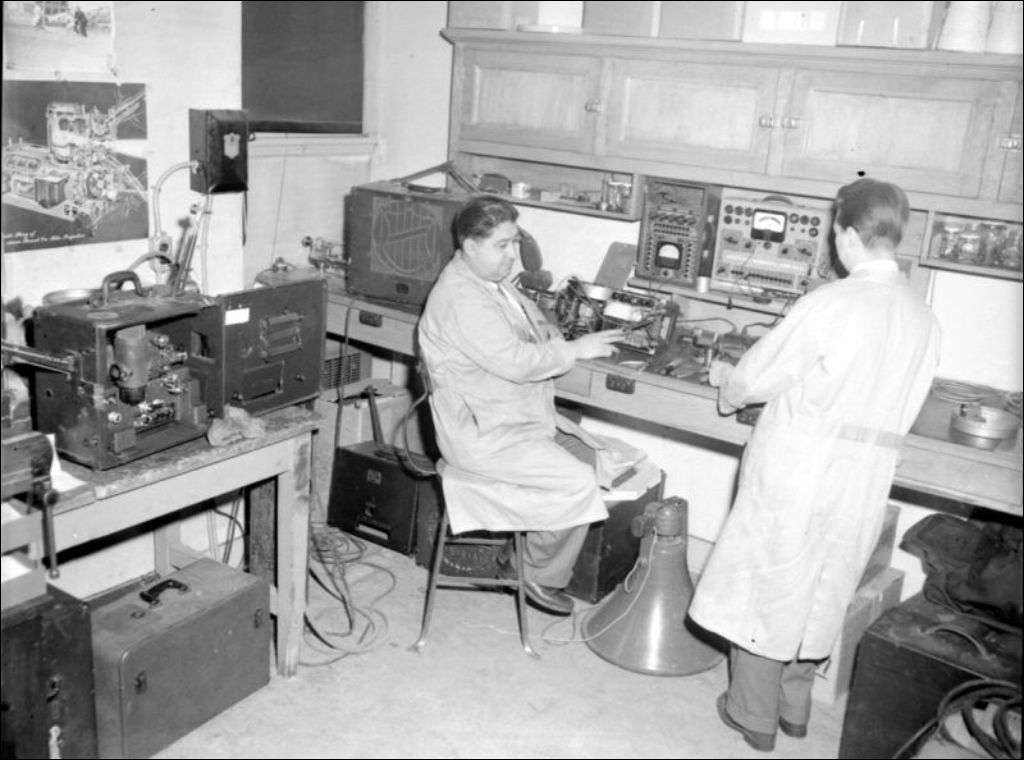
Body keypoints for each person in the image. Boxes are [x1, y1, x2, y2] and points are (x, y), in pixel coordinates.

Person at [687, 178, 942, 752]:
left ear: (845, 233)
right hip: (865, 475)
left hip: (801, 464)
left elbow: (756, 377)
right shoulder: (923, 317)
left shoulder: (830, 303)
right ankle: (794, 708)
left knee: (768, 581)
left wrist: (727, 381)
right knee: (827, 583)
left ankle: (752, 713)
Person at [417, 195, 625, 616]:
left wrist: (556, 335)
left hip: (513, 418)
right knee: (578, 482)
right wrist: (575, 350)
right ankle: (532, 570)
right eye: (502, 245)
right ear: (469, 246)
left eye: (515, 242)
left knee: (602, 460)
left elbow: (532, 320)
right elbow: (516, 362)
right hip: (484, 436)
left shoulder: (489, 281)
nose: (513, 255)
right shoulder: (461, 298)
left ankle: (522, 550)